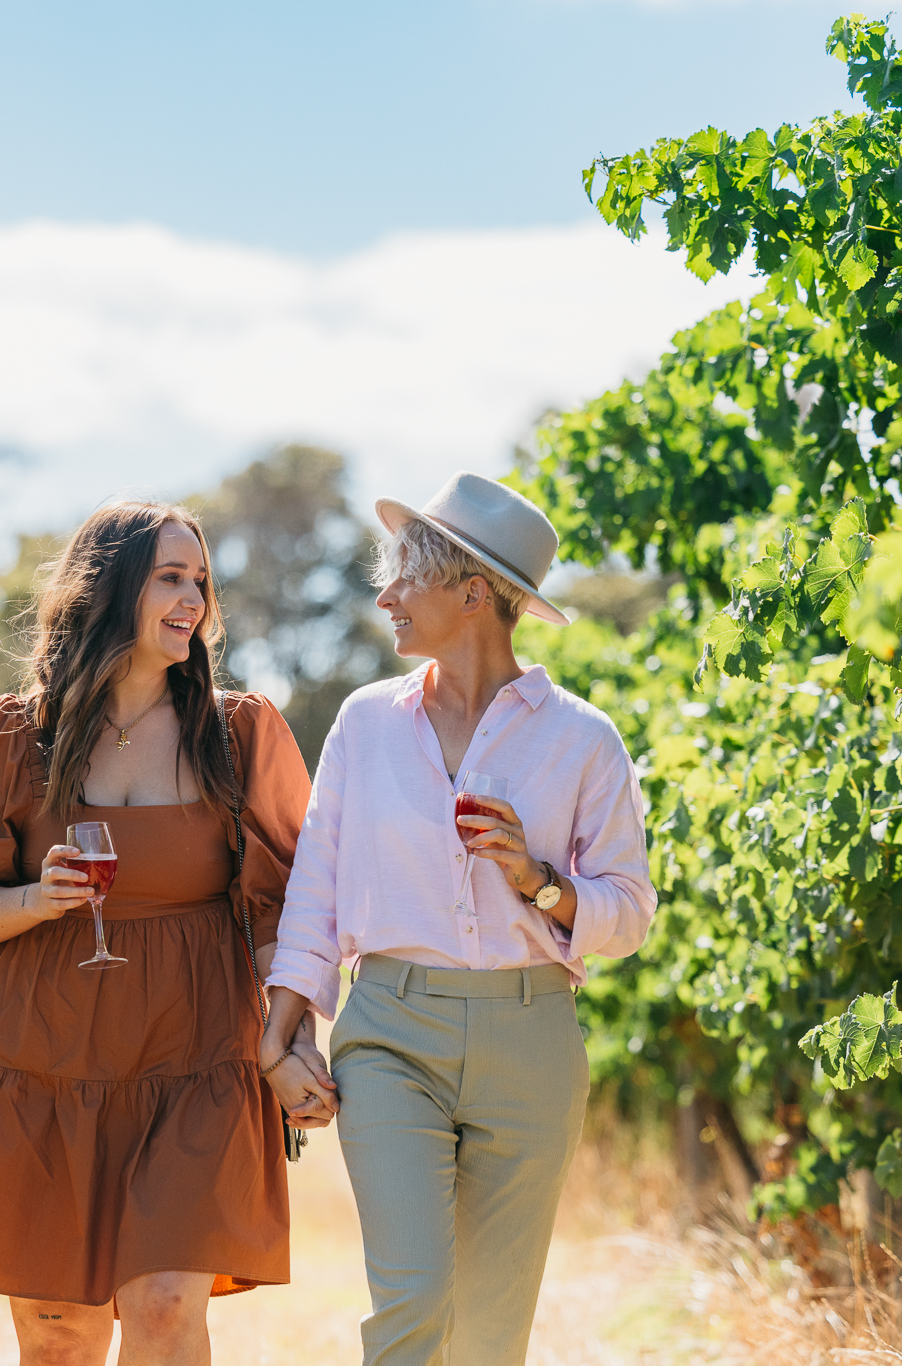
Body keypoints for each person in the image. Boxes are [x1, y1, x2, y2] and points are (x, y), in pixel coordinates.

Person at [0, 501, 322, 1366]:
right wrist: (35, 901)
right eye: (169, 577)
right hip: (43, 1060)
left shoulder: (238, 734)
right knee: (57, 1332)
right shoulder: (16, 732)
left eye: (200, 581)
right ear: (110, 586)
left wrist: (286, 1040)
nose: (192, 598)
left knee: (162, 1308)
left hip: (192, 1059)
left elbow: (284, 908)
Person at [259, 472, 656, 1366]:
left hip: (533, 1040)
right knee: (414, 1306)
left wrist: (539, 879)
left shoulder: (582, 739)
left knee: (489, 1335)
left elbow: (629, 912)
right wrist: (278, 1038)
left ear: (474, 592)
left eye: (408, 576)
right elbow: (316, 888)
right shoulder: (366, 725)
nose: (385, 594)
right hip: (392, 1032)